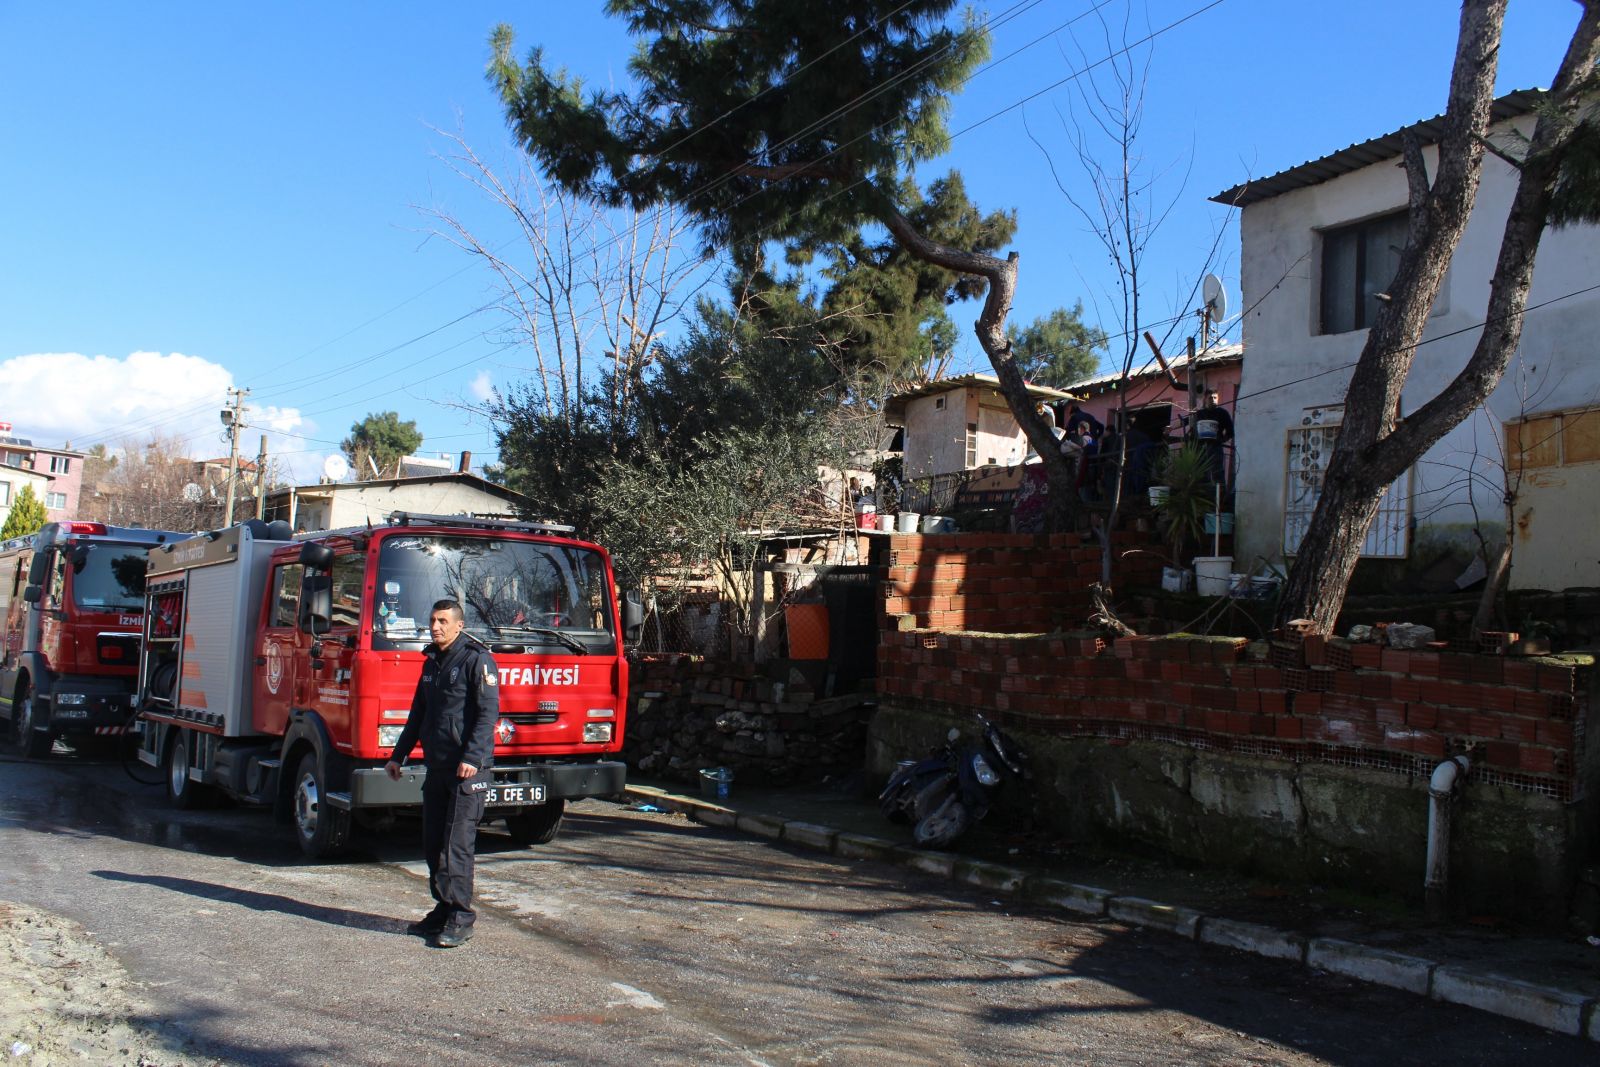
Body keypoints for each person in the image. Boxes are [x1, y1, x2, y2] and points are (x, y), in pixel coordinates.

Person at [385, 599, 500, 948]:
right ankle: (443, 908)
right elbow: (417, 713)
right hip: (437, 767)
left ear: (459, 625)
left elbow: (486, 714)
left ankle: (461, 917)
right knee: (433, 843)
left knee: (456, 847)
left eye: (443, 621)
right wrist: (398, 756)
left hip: (467, 772)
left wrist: (473, 756)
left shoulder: (476, 659)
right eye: (432, 620)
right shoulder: (431, 662)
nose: (435, 626)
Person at [1188, 388, 1236, 486]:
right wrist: (1171, 428)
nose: (1213, 400)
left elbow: (1230, 431)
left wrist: (1221, 440)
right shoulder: (1199, 414)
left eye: (1215, 398)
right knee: (1201, 475)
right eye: (1211, 398)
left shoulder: (1222, 413)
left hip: (1215, 448)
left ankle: (1219, 498)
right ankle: (1205, 497)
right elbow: (1185, 422)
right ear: (1205, 399)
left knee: (1217, 474)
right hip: (1201, 449)